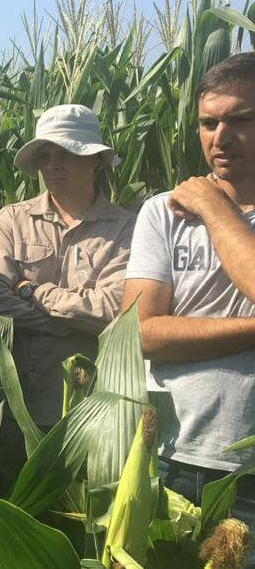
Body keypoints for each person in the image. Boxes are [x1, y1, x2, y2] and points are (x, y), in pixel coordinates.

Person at [124, 52, 255, 541]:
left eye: (240, 120)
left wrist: (211, 203)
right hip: (169, 455)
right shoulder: (161, 212)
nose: (219, 138)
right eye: (208, 123)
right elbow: (143, 332)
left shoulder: (194, 201)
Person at [0, 104, 135, 485]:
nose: (53, 165)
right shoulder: (11, 221)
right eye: (46, 155)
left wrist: (35, 291)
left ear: (95, 160)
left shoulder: (126, 230)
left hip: (91, 412)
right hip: (12, 408)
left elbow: (115, 311)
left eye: (67, 153)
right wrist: (72, 322)